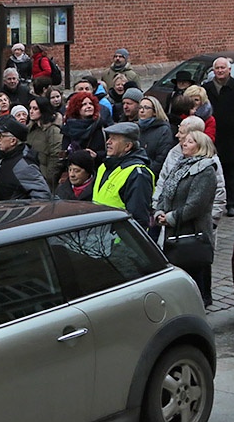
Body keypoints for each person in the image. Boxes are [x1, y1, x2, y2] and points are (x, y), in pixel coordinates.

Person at [153, 130, 218, 307]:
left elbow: (197, 204)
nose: (184, 144)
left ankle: (200, 301)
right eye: (185, 141)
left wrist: (172, 217)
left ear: (200, 147)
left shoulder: (206, 170)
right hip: (173, 229)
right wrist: (159, 212)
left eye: (190, 142)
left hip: (193, 230)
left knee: (195, 267)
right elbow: (165, 192)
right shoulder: (179, 166)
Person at [153, 116, 226, 224]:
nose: (177, 135)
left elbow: (218, 193)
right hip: (168, 221)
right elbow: (163, 182)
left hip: (195, 226)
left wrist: (212, 222)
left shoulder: (209, 162)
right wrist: (157, 209)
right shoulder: (174, 153)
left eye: (181, 132)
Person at [203, 57, 234, 217]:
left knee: (231, 173)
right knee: (211, 172)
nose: (220, 70)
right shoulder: (206, 88)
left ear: (229, 69)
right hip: (211, 137)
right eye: (217, 68)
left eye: (223, 68)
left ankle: (232, 203)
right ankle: (211, 202)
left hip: (231, 138)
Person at [92, 122, 154, 231]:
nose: (108, 142)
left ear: (128, 146)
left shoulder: (137, 174)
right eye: (109, 138)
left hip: (119, 244)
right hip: (100, 239)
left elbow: (139, 220)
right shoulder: (104, 166)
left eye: (114, 139)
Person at [0, 116, 51, 202]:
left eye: (0, 136)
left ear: (13, 141)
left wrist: (18, 212)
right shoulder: (5, 155)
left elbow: (43, 197)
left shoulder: (24, 166)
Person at [26, 96, 63, 191]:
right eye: (30, 108)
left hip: (44, 178)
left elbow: (56, 156)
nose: (31, 111)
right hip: (30, 176)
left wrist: (48, 178)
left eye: (35, 109)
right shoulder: (31, 129)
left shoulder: (53, 130)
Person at [61, 91, 107, 163]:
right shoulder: (68, 127)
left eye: (91, 104)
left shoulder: (101, 126)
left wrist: (96, 155)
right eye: (84, 104)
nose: (89, 106)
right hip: (75, 168)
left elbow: (109, 152)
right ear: (76, 108)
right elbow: (64, 152)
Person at [138, 96, 174, 178]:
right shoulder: (136, 128)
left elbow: (161, 159)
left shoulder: (164, 130)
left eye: (146, 108)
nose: (142, 111)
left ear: (155, 112)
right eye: (140, 107)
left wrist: (146, 174)